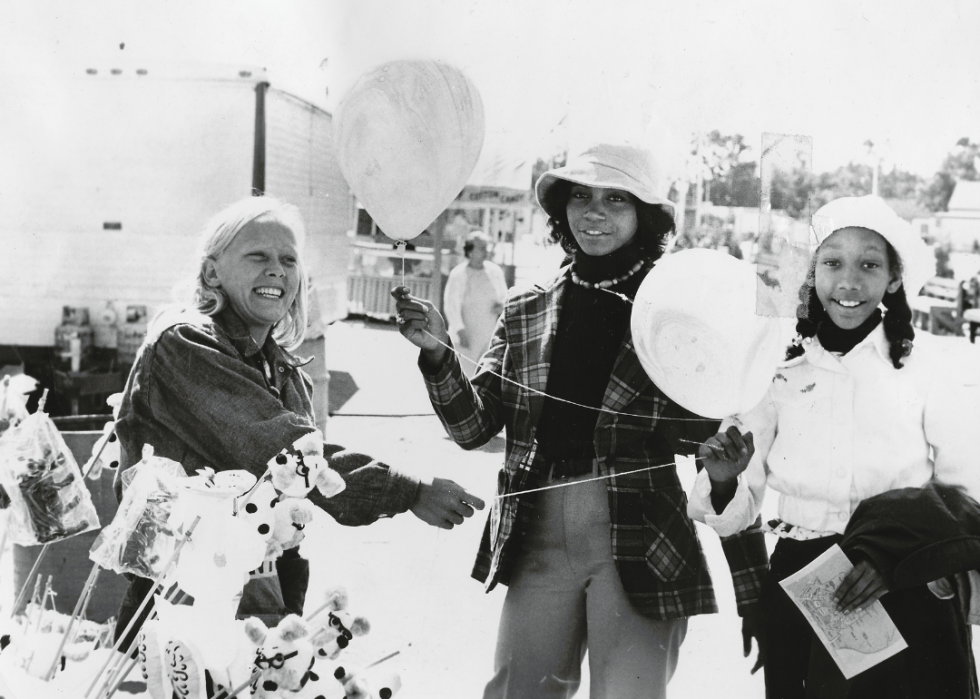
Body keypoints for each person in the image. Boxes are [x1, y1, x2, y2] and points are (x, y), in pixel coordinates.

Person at [392, 142, 769, 699]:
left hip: (641, 538)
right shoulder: (526, 307)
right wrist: (438, 353)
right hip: (536, 528)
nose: (594, 212)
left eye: (616, 199)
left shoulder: (677, 310)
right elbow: (472, 428)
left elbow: (708, 438)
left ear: (647, 217)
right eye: (581, 197)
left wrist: (724, 479)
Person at [112, 196, 484, 647]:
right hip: (182, 598)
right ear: (212, 273)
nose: (277, 270)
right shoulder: (185, 342)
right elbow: (288, 453)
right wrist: (410, 490)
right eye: (257, 256)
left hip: (261, 592)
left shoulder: (282, 366)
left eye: (289, 259)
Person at [688, 194, 980, 698]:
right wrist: (723, 479)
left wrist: (898, 558)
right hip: (803, 577)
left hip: (902, 575)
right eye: (832, 263)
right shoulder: (774, 368)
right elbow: (737, 509)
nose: (849, 282)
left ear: (893, 277)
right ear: (811, 274)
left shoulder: (928, 365)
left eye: (869, 264)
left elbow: (965, 489)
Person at [442, 231, 508, 377]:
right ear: (470, 251)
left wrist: (501, 306)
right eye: (481, 248)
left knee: (486, 374)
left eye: (487, 247)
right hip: (467, 334)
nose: (486, 251)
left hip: (489, 333)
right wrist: (460, 331)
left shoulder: (494, 271)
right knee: (465, 374)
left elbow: (505, 297)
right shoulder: (458, 274)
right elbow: (450, 305)